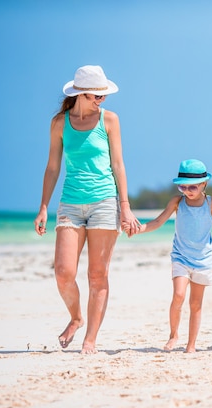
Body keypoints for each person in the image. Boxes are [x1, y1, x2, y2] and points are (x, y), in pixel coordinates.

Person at [34, 65, 141, 354]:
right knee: (63, 272)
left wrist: (125, 208)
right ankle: (76, 317)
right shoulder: (60, 123)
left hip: (105, 201)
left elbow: (118, 165)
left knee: (97, 275)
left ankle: (90, 338)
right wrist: (44, 207)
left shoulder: (110, 120)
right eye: (97, 95)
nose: (101, 100)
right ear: (82, 93)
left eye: (103, 95)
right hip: (70, 202)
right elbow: (52, 167)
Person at [123, 159, 212, 353]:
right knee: (178, 295)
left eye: (192, 187)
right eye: (182, 187)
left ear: (204, 185)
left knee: (195, 303)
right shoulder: (177, 202)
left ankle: (191, 344)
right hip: (181, 257)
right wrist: (139, 229)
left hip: (203, 260)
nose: (187, 191)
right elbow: (158, 221)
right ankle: (173, 334)